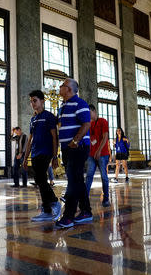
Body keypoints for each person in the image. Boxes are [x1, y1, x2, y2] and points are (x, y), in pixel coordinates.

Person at [55, 78, 92, 228]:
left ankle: (68, 217)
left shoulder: (80, 103)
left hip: (78, 147)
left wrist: (75, 141)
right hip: (67, 148)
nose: (60, 86)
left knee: (73, 181)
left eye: (62, 85)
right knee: (77, 180)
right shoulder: (63, 106)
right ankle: (86, 212)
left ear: (69, 89)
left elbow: (86, 123)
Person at [23, 90, 62, 222]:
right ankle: (46, 210)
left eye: (35, 100)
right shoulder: (33, 119)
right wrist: (25, 158)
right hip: (34, 153)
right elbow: (30, 140)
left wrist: (55, 156)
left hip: (46, 152)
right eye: (31, 101)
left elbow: (54, 137)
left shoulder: (49, 116)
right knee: (40, 181)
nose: (32, 104)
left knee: (40, 179)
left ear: (42, 101)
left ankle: (55, 202)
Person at [85, 104, 110, 207]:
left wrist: (99, 150)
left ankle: (106, 198)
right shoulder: (89, 124)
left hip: (102, 154)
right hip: (91, 154)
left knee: (104, 176)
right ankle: (84, 198)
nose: (88, 115)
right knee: (89, 175)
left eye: (89, 112)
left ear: (94, 111)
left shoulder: (103, 121)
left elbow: (105, 137)